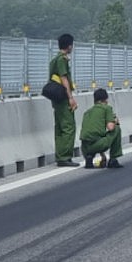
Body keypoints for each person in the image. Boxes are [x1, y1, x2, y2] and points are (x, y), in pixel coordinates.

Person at [50, 33, 79, 166]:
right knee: (69, 126)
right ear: (69, 46)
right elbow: (64, 78)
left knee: (60, 126)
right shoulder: (62, 60)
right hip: (63, 97)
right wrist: (70, 97)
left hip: (56, 97)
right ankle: (65, 157)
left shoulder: (54, 59)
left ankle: (60, 155)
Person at [79, 88, 123, 168]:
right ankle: (113, 159)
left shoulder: (87, 112)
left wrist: (103, 156)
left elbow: (95, 133)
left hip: (84, 148)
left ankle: (89, 158)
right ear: (106, 99)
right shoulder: (107, 108)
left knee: (96, 136)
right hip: (97, 145)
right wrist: (115, 121)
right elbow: (110, 128)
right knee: (117, 129)